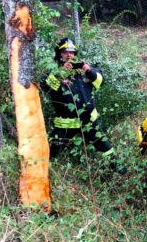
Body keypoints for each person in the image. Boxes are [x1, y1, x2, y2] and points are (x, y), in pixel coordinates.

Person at [41, 38, 123, 171]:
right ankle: (42, 171)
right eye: (65, 52)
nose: (69, 55)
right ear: (59, 54)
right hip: (65, 124)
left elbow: (101, 82)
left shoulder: (82, 70)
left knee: (105, 147)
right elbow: (45, 86)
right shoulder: (54, 72)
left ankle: (119, 170)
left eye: (72, 52)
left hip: (89, 121)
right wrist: (60, 73)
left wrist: (89, 71)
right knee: (52, 150)